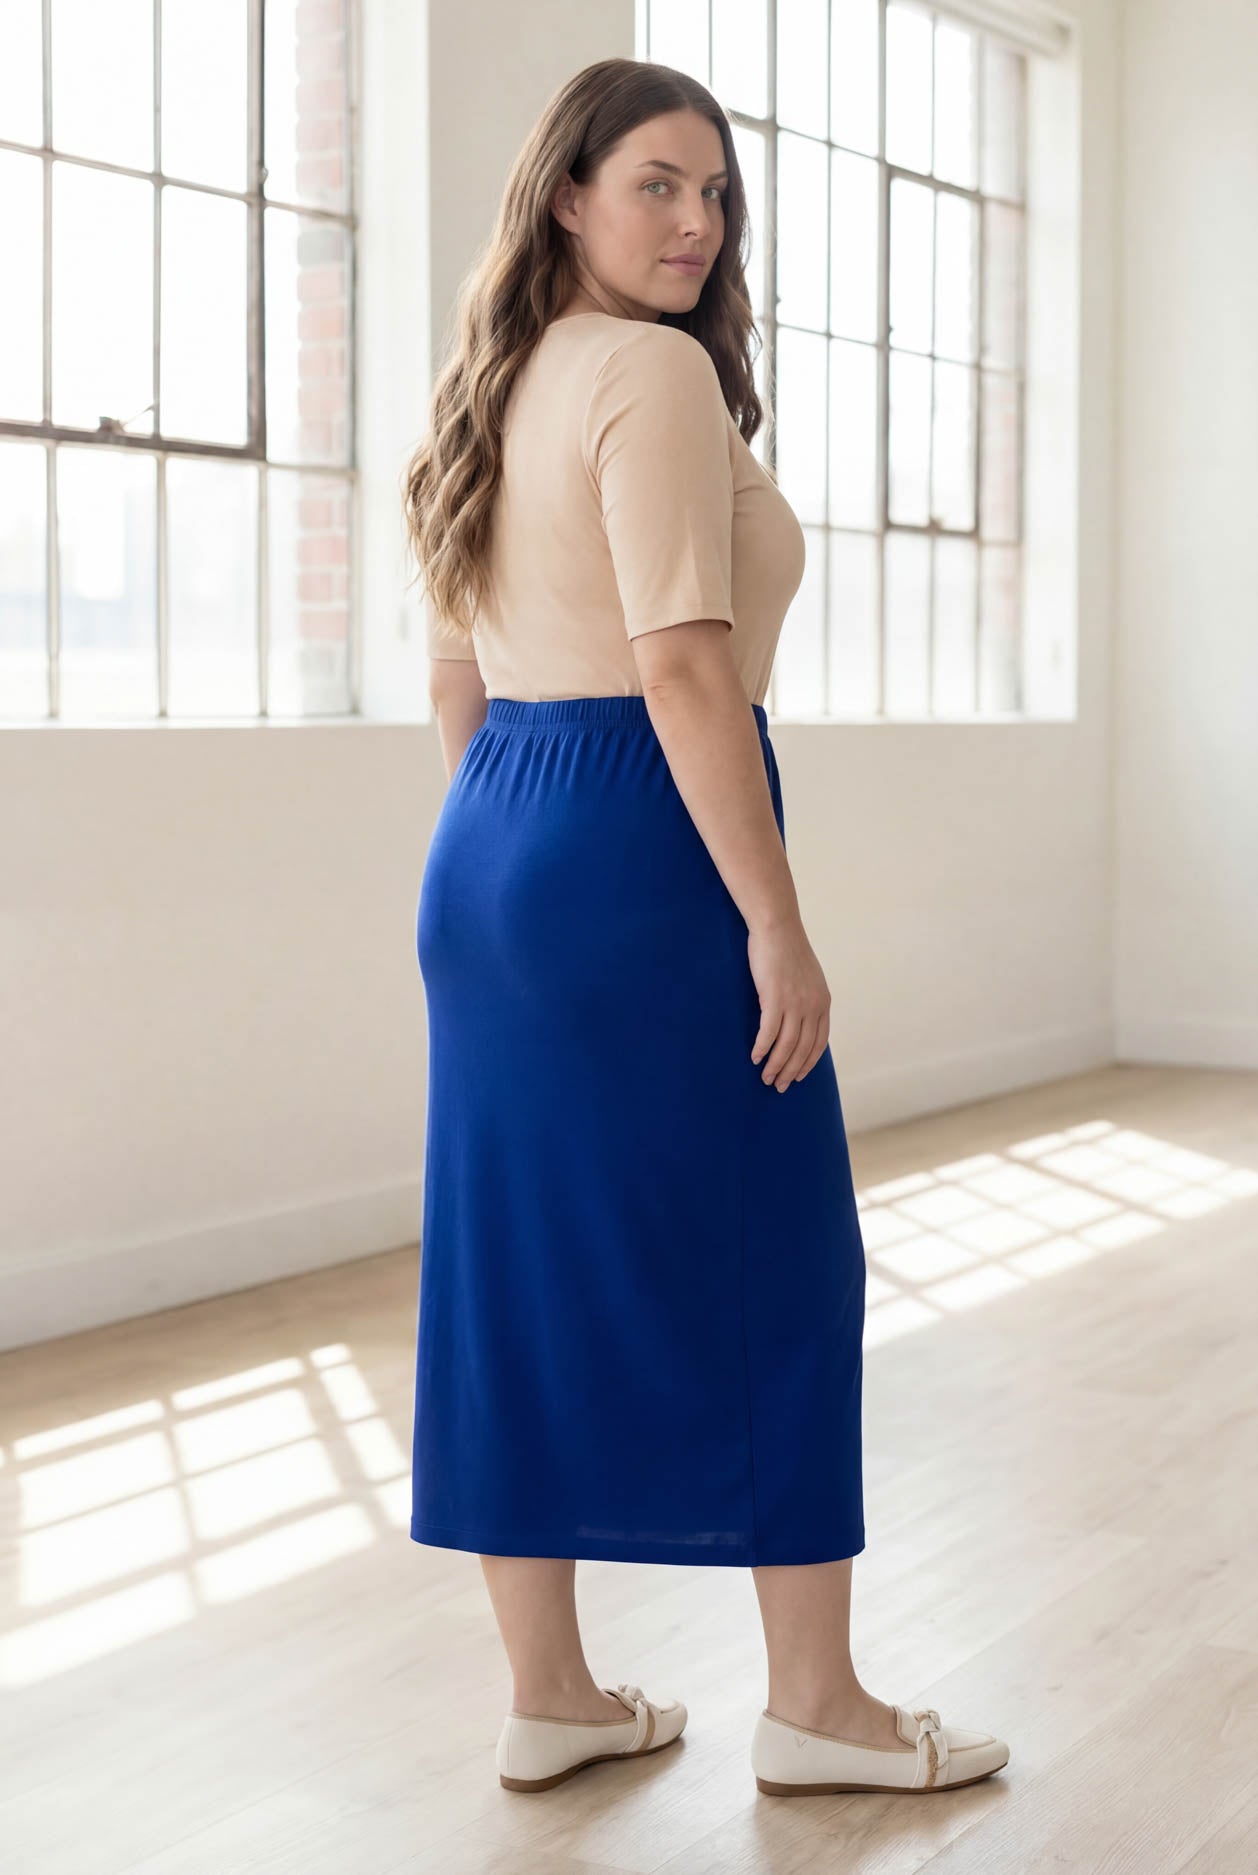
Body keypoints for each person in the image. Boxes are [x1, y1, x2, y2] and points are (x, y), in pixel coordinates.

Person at [402, 56, 1009, 1799]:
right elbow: (679, 665)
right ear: (568, 196)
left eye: (715, 193)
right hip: (636, 838)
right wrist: (774, 923)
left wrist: (512, 861)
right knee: (781, 1260)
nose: (693, 222)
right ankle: (816, 1708)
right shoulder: (649, 376)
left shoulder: (489, 384)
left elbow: (458, 669)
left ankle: (553, 1695)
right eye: (656, 184)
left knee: (515, 1267)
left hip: (494, 838)